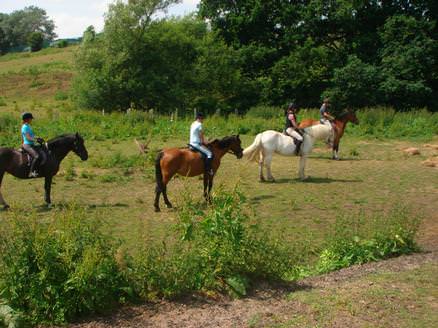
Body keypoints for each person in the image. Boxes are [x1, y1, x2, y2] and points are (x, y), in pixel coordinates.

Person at [21, 112, 45, 177]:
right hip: (27, 145)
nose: (31, 120)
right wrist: (36, 140)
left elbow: (32, 136)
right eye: (30, 119)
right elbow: (28, 138)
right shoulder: (25, 127)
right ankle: (31, 172)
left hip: (31, 144)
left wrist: (38, 137)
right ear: (27, 119)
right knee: (37, 156)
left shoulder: (28, 126)